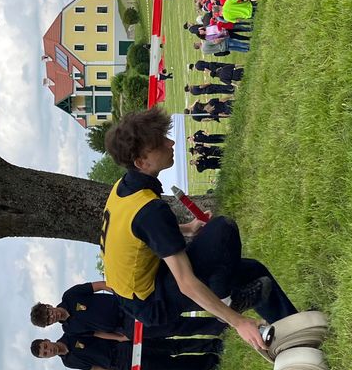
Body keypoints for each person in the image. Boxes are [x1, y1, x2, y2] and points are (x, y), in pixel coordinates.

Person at [100, 107, 299, 348]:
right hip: (152, 302)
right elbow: (186, 282)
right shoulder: (148, 210)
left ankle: (295, 330)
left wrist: (187, 228)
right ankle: (226, 301)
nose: (171, 143)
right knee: (223, 229)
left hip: (136, 292)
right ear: (141, 162)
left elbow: (142, 234)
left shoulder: (124, 188)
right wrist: (237, 321)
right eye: (160, 143)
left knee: (254, 271)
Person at [30, 281, 226, 338]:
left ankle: (219, 304)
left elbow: (101, 285)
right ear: (50, 324)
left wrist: (123, 295)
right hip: (124, 327)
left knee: (172, 305)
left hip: (127, 305)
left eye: (48, 312)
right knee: (172, 328)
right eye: (49, 320)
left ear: (48, 306)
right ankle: (217, 326)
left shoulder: (70, 296)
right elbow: (97, 333)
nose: (52, 316)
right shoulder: (70, 329)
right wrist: (120, 337)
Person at [30, 332, 222, 370]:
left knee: (171, 347)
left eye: (45, 347)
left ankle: (212, 345)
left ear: (47, 340)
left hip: (123, 347)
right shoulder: (68, 362)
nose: (49, 350)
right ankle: (210, 363)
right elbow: (94, 368)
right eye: (45, 354)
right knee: (170, 366)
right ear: (46, 358)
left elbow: (97, 333)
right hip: (121, 366)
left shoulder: (71, 333)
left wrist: (120, 338)